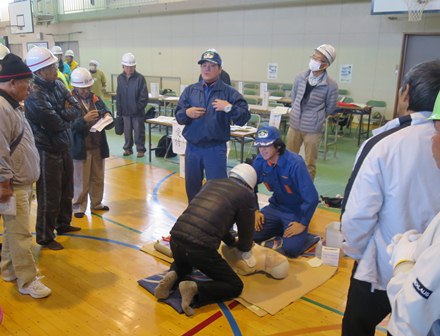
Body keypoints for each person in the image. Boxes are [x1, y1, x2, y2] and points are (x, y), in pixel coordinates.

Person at [340, 60, 440, 336]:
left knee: (357, 328)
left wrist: (358, 253)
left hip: (382, 268)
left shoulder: (385, 142)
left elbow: (357, 214)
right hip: (430, 279)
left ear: (406, 93)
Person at [154, 163, 257, 316]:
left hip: (176, 239)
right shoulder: (246, 195)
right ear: (250, 185)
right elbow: (246, 236)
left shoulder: (212, 182)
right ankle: (194, 288)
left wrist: (230, 241)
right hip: (200, 249)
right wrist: (242, 247)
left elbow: (216, 223)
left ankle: (174, 274)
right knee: (235, 285)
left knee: (185, 264)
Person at [0, 53, 52, 298]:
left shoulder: (10, 105)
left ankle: (9, 270)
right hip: (13, 184)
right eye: (25, 83)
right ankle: (27, 281)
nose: (29, 89)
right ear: (11, 83)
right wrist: (4, 183)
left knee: (13, 230)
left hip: (18, 180)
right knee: (21, 233)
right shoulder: (1, 109)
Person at [25, 46, 82, 251]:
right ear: (39, 71)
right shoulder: (34, 94)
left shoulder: (58, 83)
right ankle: (45, 236)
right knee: (50, 194)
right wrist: (64, 113)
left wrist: (62, 113)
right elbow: (55, 123)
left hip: (64, 145)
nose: (55, 69)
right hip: (46, 150)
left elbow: (76, 108)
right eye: (51, 67)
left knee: (67, 189)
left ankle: (63, 224)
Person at [175, 49, 250, 202]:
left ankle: (218, 223)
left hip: (215, 149)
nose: (207, 69)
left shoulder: (229, 93)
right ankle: (194, 219)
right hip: (193, 148)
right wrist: (187, 113)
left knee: (217, 190)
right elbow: (178, 115)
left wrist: (228, 108)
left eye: (211, 65)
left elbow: (244, 117)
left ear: (220, 69)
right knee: (192, 187)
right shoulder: (191, 91)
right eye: (204, 65)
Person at [252, 126, 319, 257]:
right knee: (250, 234)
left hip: (295, 211)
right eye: (260, 146)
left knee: (291, 249)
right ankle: (279, 227)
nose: (262, 150)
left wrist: (302, 223)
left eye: (266, 145)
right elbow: (250, 186)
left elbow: (312, 198)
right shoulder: (260, 160)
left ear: (277, 146)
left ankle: (306, 236)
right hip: (275, 207)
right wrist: (255, 210)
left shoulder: (295, 163)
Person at [286, 44, 338, 180]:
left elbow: (330, 107)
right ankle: (287, 187)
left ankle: (306, 193)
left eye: (318, 59)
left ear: (325, 65)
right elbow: (294, 96)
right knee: (289, 159)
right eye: (313, 57)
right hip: (294, 124)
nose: (313, 60)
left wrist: (317, 117)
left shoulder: (331, 85)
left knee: (310, 163)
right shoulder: (300, 77)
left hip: (313, 129)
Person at [70, 67, 113, 218]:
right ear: (74, 87)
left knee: (98, 177)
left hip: (98, 146)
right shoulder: (69, 102)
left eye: (87, 87)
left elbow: (108, 114)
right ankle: (78, 206)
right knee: (80, 180)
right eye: (82, 89)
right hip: (81, 148)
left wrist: (107, 116)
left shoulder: (96, 99)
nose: (85, 91)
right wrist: (84, 120)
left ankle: (96, 203)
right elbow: (69, 127)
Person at [116, 52, 148, 158]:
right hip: (125, 111)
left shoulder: (140, 78)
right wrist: (119, 110)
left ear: (135, 66)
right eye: (127, 67)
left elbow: (144, 97)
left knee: (139, 131)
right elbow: (119, 94)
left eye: (131, 67)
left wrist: (137, 108)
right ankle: (128, 149)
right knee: (127, 132)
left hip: (137, 112)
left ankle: (140, 149)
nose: (129, 69)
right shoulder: (120, 78)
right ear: (123, 66)